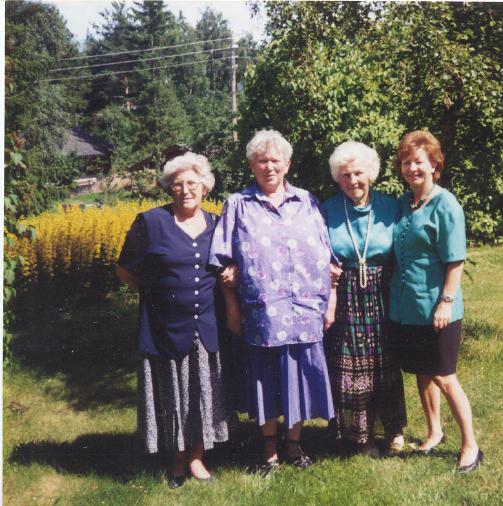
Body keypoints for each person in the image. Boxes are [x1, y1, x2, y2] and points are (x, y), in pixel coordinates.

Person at [209, 129, 335, 475]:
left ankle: (294, 443)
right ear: (252, 165)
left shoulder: (307, 201)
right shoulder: (238, 204)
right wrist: (231, 305)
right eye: (261, 161)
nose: (269, 167)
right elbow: (221, 262)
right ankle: (269, 449)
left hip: (305, 309)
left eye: (275, 161)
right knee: (266, 380)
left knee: (299, 377)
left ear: (287, 164)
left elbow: (328, 256)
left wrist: (331, 300)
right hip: (264, 312)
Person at [116, 152, 230, 488]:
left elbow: (228, 265)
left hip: (205, 325)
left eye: (192, 183)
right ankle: (177, 459)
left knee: (201, 391)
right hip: (163, 327)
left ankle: (197, 457)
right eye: (178, 184)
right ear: (170, 188)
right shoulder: (150, 223)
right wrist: (153, 295)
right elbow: (124, 268)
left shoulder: (217, 224)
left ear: (205, 187)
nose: (185, 190)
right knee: (172, 393)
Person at [389, 130, 483, 473]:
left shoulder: (446, 205)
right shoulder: (404, 203)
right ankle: (434, 432)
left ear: (434, 165)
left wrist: (446, 301)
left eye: (418, 162)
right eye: (406, 162)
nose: (412, 168)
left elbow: (455, 259)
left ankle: (470, 445)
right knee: (423, 372)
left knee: (444, 376)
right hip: (409, 307)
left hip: (438, 307)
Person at [320, 141, 407, 457]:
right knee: (354, 366)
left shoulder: (391, 206)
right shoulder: (327, 209)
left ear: (371, 173)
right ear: (337, 178)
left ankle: (394, 429)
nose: (353, 180)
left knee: (386, 363)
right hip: (345, 295)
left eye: (358, 173)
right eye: (345, 175)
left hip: (383, 291)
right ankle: (363, 435)